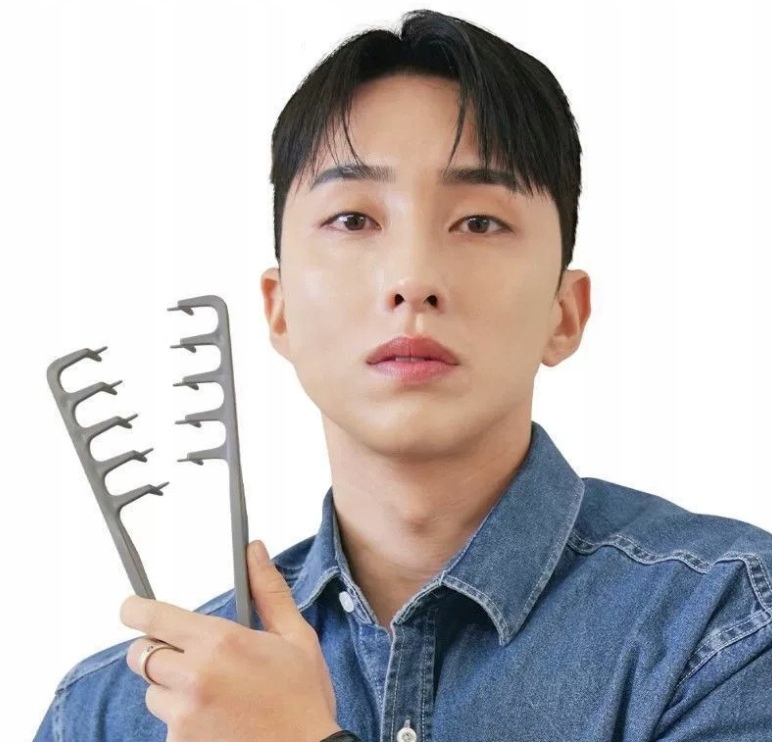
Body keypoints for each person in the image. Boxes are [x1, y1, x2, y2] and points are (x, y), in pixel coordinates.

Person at [34, 9, 772, 741]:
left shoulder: (728, 629)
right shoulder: (103, 714)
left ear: (565, 313)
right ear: (279, 310)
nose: (412, 280)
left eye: (479, 222)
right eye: (353, 220)